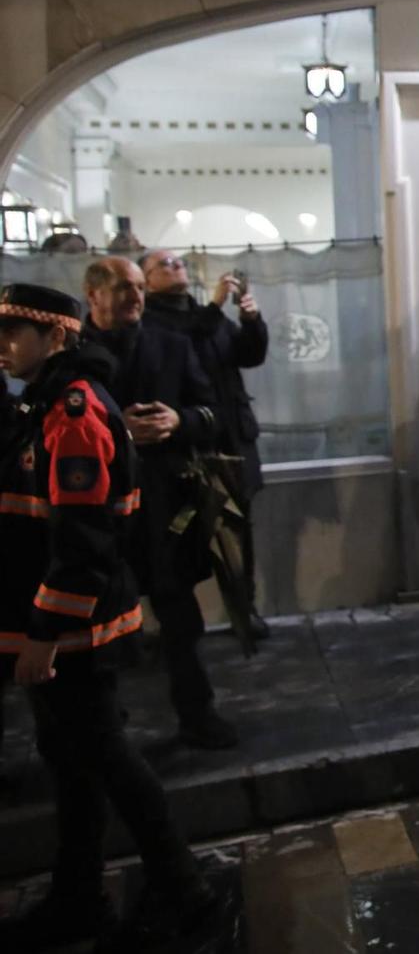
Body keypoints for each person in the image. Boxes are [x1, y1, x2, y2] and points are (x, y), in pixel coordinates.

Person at [0, 284, 233, 952]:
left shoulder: (72, 411)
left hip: (74, 630)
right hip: (54, 624)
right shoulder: (41, 403)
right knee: (73, 765)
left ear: (58, 336)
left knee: (108, 760)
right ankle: (79, 896)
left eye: (16, 332)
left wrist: (45, 631)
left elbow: (82, 539)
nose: (3, 344)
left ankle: (187, 892)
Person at [81, 257, 236, 750]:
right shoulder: (72, 353)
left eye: (137, 288)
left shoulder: (171, 343)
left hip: (165, 503)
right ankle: (106, 730)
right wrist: (115, 430)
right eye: (123, 288)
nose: (135, 296)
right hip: (96, 508)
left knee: (179, 616)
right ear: (93, 296)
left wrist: (178, 421)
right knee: (100, 624)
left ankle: (197, 713)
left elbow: (212, 413)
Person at [139, 250, 270, 638]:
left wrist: (250, 320)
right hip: (186, 445)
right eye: (163, 264)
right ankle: (177, 622)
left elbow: (248, 355)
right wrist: (215, 306)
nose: (175, 265)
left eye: (178, 261)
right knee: (180, 536)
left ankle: (244, 610)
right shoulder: (152, 323)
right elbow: (186, 345)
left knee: (238, 530)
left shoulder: (202, 315)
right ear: (146, 281)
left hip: (230, 438)